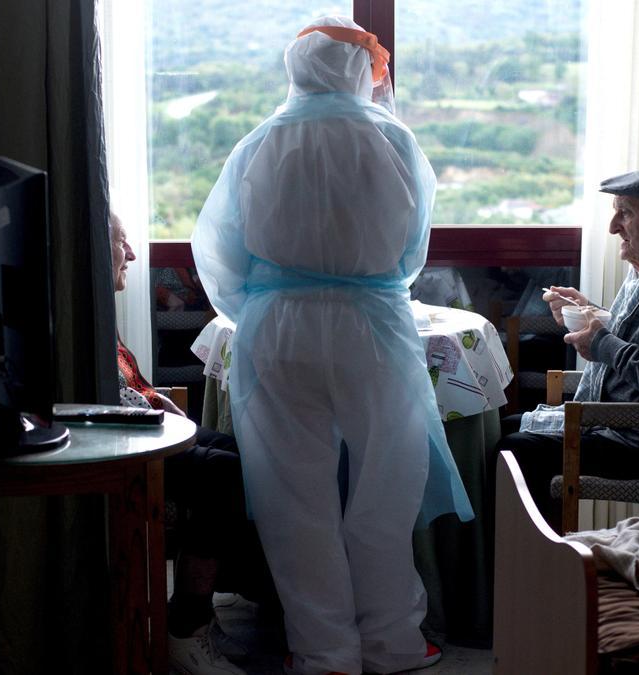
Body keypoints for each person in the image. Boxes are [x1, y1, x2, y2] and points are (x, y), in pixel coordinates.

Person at [191, 16, 473, 675]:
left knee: (294, 497)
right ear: (360, 71)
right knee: (386, 487)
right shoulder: (394, 141)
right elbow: (412, 251)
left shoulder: (256, 145)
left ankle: (325, 652)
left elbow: (221, 256)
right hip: (373, 325)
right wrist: (364, 288)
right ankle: (394, 643)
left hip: (277, 329)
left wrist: (267, 306)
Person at [496, 167, 639, 526]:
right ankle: (527, 559)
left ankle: (532, 561)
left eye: (626, 213)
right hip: (620, 427)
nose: (613, 226)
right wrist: (592, 313)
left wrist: (601, 342)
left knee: (514, 448)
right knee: (503, 426)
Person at [110, 213, 258, 675]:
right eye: (121, 241)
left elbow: (129, 383)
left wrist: (164, 407)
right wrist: (162, 413)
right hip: (128, 444)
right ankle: (185, 628)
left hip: (147, 423)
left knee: (245, 455)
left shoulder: (92, 304)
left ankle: (205, 598)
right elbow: (112, 399)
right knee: (224, 474)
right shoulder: (77, 314)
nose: (133, 254)